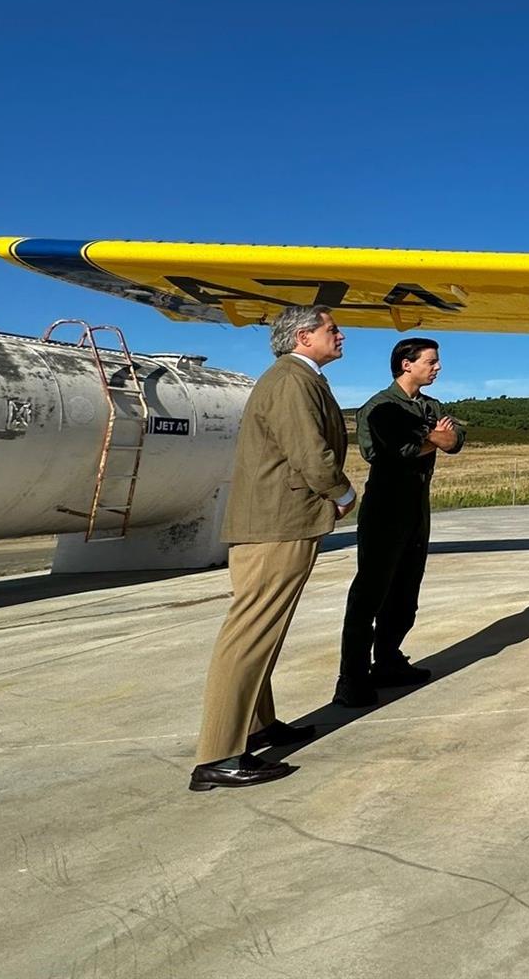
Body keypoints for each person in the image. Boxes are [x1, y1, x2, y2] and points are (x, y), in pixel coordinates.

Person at [189, 305, 355, 791]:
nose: (340, 334)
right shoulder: (290, 381)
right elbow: (309, 452)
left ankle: (257, 725)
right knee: (251, 631)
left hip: (277, 522)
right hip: (276, 525)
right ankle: (218, 754)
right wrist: (342, 493)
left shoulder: (299, 378)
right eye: (331, 329)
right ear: (304, 337)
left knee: (265, 629)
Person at [334, 337, 463, 707]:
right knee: (370, 592)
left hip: (416, 506)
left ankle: (388, 660)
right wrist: (432, 438)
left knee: (406, 591)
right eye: (431, 361)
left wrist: (438, 438)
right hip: (386, 507)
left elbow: (455, 439)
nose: (437, 367)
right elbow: (389, 451)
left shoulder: (429, 405)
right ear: (407, 365)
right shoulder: (380, 406)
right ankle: (352, 678)